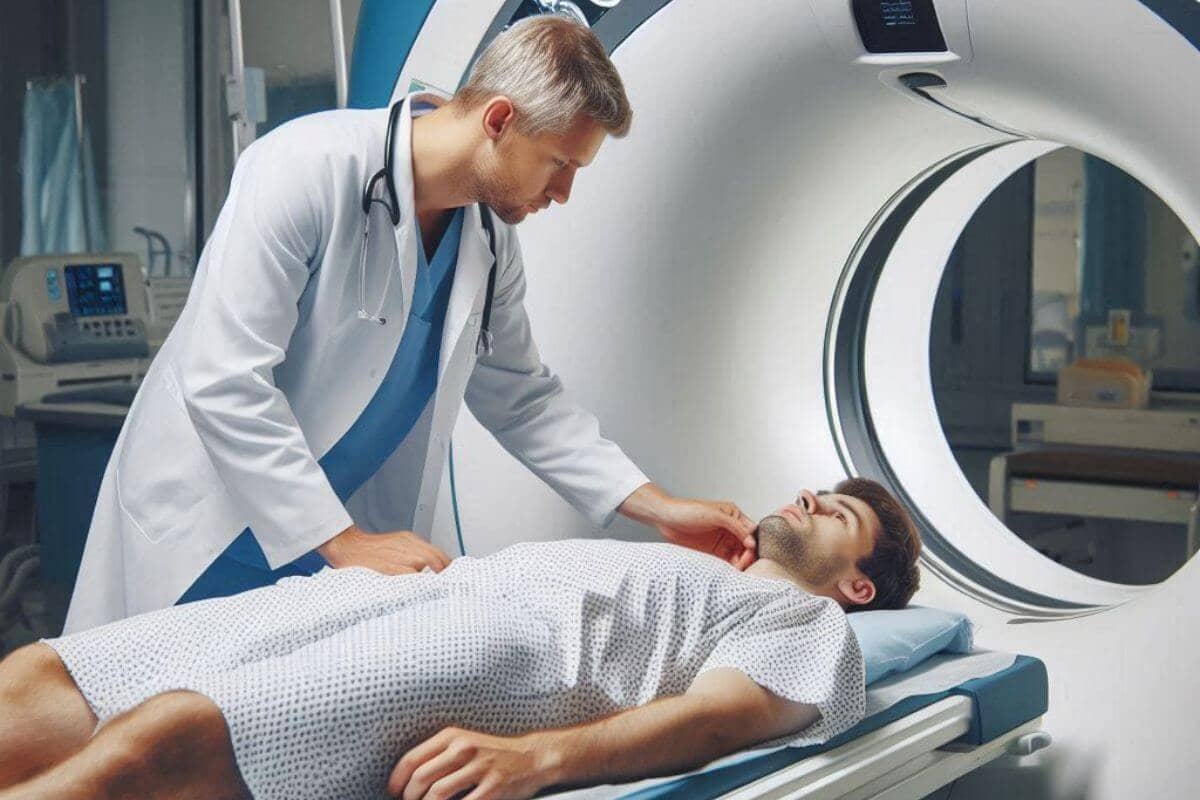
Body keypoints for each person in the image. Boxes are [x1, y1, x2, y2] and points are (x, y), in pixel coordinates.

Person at [64, 15, 759, 634]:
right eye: (559, 164)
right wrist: (343, 541)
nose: (563, 193)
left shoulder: (486, 241)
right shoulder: (304, 167)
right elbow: (222, 378)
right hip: (210, 525)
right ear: (498, 120)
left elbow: (523, 398)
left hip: (327, 550)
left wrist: (659, 507)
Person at [0, 479, 920, 800]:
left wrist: (539, 760)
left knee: (176, 732)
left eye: (834, 511)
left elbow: (720, 720)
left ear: (857, 584)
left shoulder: (808, 625)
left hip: (517, 650)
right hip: (419, 590)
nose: (808, 498)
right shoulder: (698, 561)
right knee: (42, 677)